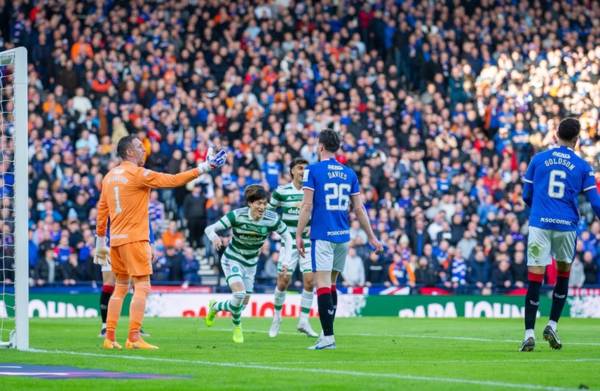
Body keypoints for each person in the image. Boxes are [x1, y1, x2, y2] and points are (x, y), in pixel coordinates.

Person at [94, 135, 226, 350]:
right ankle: (134, 338)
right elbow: (173, 180)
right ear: (129, 152)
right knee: (142, 287)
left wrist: (101, 242)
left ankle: (110, 338)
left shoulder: (109, 177)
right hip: (135, 239)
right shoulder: (138, 174)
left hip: (116, 241)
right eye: (139, 147)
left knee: (119, 288)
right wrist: (205, 167)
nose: (143, 150)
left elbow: (102, 210)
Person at [296, 129, 383, 350]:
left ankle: (328, 337)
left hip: (323, 235)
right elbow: (360, 209)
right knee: (332, 284)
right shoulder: (349, 173)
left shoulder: (312, 170)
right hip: (343, 237)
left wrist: (298, 234)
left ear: (321, 147)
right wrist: (372, 237)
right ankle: (328, 335)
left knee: (322, 284)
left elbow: (307, 205)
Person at [520, 118, 600, 352]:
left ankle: (528, 334)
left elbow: (527, 194)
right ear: (576, 139)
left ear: (555, 135)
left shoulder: (538, 159)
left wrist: (539, 208)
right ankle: (553, 325)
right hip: (566, 226)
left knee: (535, 278)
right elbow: (595, 202)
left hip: (540, 224)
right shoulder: (583, 166)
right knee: (562, 276)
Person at [204, 185, 293, 344]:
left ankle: (215, 307)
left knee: (241, 306)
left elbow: (288, 237)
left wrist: (286, 260)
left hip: (251, 265)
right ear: (250, 203)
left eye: (265, 204)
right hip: (233, 259)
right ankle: (237, 326)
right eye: (259, 203)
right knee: (239, 294)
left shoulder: (271, 219)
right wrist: (214, 238)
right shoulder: (237, 216)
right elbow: (210, 228)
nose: (262, 207)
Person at [268, 158, 318, 338]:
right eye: (299, 168)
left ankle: (304, 320)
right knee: (283, 282)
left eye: (305, 169)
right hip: (288, 244)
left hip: (307, 242)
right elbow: (268, 214)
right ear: (292, 171)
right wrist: (274, 233)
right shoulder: (281, 192)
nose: (303, 171)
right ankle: (277, 317)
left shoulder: (312, 192)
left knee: (310, 281)